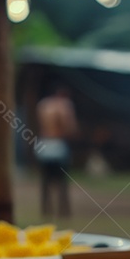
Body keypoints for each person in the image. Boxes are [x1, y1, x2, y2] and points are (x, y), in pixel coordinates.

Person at [35, 83, 78, 218]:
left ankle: (46, 209)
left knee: (45, 180)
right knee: (62, 181)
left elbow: (40, 125)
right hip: (58, 144)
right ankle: (63, 210)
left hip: (44, 143)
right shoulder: (65, 105)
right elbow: (69, 127)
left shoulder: (43, 105)